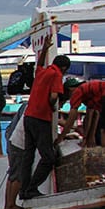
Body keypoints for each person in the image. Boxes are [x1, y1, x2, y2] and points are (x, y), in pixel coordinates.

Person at [19, 54, 70, 200]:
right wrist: (52, 107)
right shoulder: (56, 74)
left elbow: (39, 64)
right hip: (41, 118)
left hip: (28, 117)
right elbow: (54, 96)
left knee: (28, 156)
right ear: (64, 68)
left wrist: (45, 49)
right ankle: (32, 188)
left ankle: (23, 190)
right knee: (48, 157)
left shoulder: (42, 72)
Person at [2, 103, 29, 209]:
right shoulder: (31, 107)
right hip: (19, 142)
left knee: (12, 173)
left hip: (12, 139)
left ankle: (8, 204)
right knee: (18, 174)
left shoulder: (26, 105)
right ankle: (10, 205)